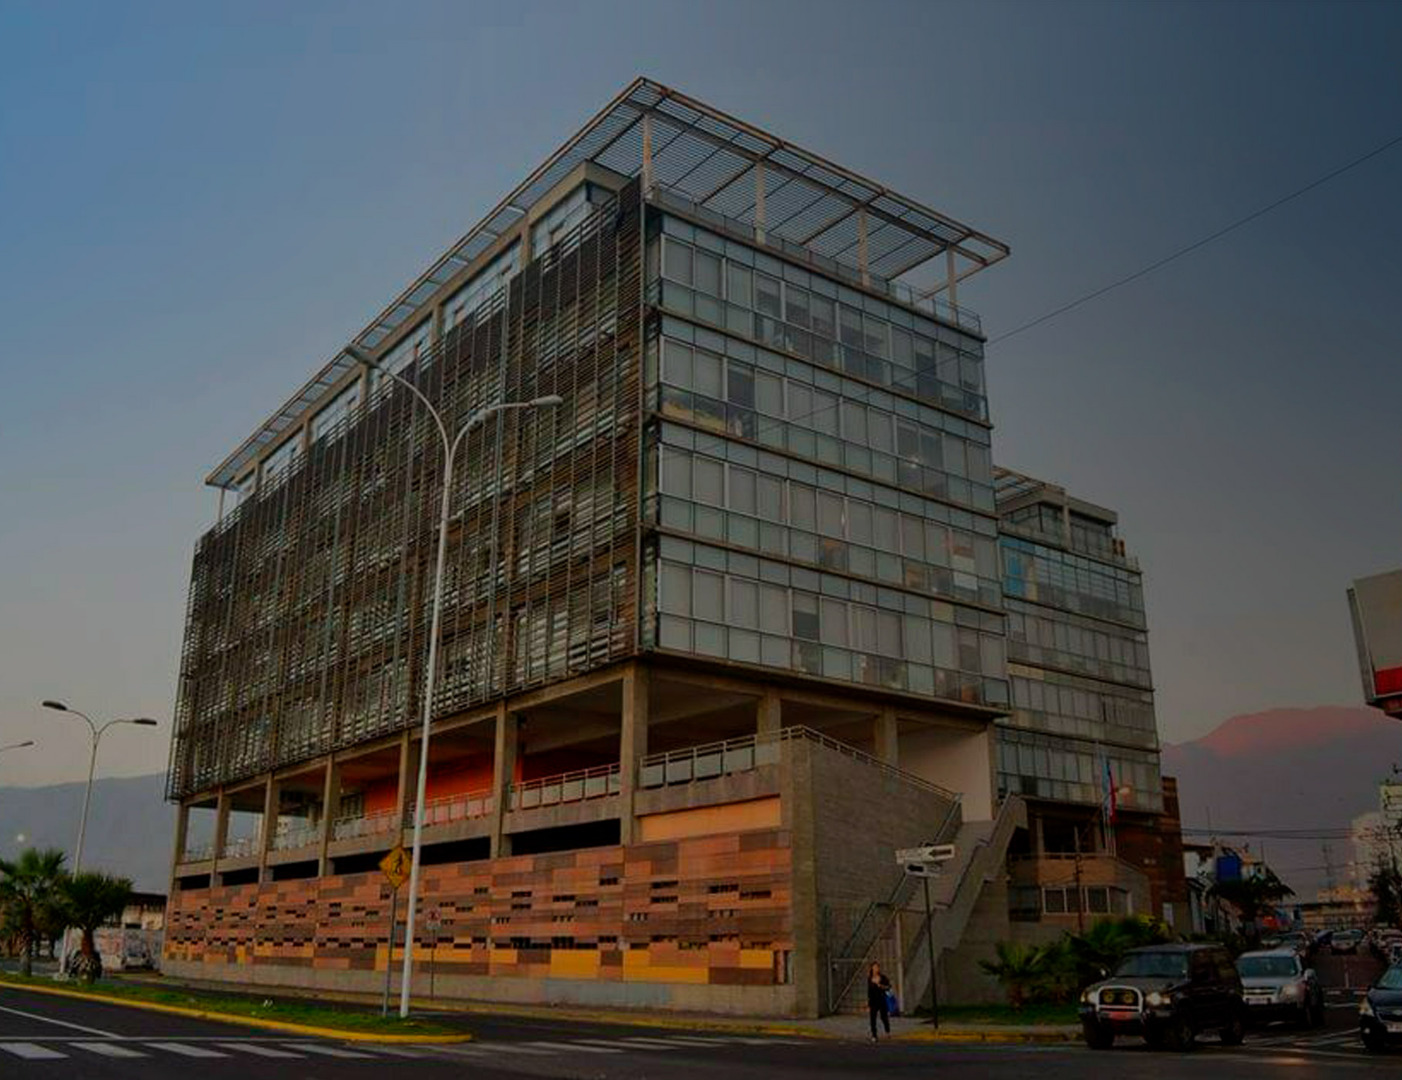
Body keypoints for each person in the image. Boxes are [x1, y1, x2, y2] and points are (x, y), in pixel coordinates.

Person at [867, 961, 892, 1042]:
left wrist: (880, 986)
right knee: (872, 1019)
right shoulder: (870, 978)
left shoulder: (883, 977)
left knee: (884, 1017)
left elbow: (888, 987)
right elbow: (869, 992)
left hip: (881, 1000)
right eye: (874, 967)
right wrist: (868, 1003)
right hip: (873, 1001)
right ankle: (874, 1035)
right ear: (871, 968)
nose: (875, 969)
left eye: (877, 967)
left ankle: (887, 1031)